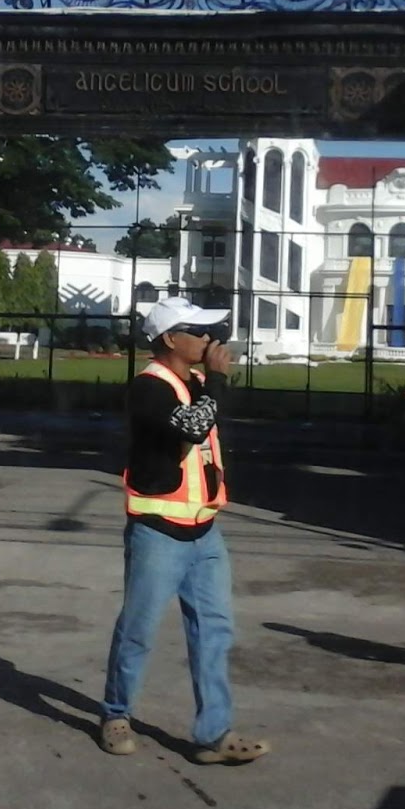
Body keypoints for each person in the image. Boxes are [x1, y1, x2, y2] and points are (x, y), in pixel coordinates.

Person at [99, 295, 271, 765]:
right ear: (171, 339)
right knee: (138, 630)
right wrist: (216, 380)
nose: (209, 339)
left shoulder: (193, 383)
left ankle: (214, 733)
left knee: (214, 631)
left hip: (204, 531)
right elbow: (193, 427)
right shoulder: (149, 388)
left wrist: (210, 382)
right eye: (198, 332)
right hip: (158, 531)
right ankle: (116, 714)